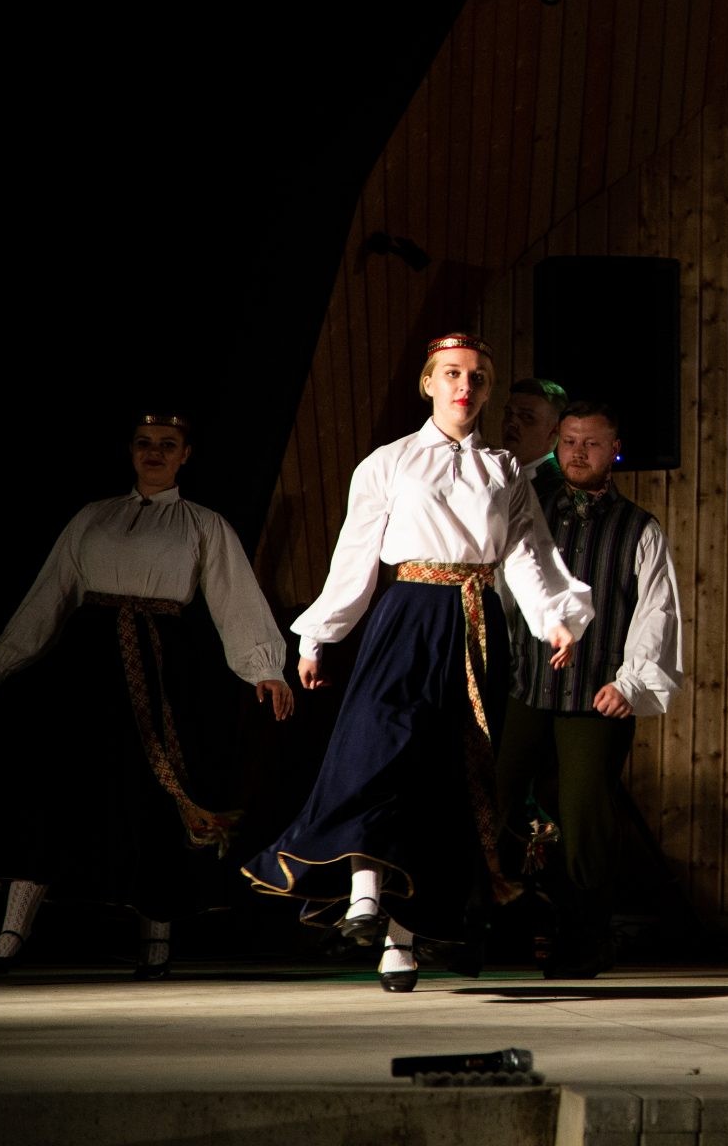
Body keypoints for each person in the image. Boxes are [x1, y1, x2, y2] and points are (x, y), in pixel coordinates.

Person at [243, 333, 592, 992]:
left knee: (443, 778)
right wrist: (317, 637)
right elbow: (355, 556)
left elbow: (528, 553)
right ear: (429, 383)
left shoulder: (503, 470)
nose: (465, 386)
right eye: (452, 374)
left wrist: (555, 620)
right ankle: (363, 896)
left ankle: (401, 940)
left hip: (475, 623)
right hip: (407, 615)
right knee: (374, 750)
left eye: (478, 377)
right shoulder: (389, 463)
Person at [0, 414, 294, 978]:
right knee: (57, 785)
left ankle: (156, 935)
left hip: (162, 664)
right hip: (88, 666)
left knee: (156, 795)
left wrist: (264, 668)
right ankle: (14, 926)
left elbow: (234, 596)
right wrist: (0, 663)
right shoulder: (94, 516)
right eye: (145, 443)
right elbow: (51, 591)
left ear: (185, 455)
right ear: (130, 450)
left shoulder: (202, 523)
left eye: (168, 445)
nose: (155, 452)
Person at [496, 400, 683, 978]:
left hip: (595, 694)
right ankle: (489, 926)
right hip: (526, 684)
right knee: (493, 797)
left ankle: (585, 940)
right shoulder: (529, 511)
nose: (578, 452)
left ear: (614, 451)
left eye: (592, 443)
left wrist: (631, 682)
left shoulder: (639, 529)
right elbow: (503, 592)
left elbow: (656, 613)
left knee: (585, 820)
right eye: (570, 441)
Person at [501, 378, 570, 497]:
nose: (512, 422)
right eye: (508, 413)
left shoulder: (560, 492)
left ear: (554, 431)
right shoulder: (494, 475)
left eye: (527, 416)